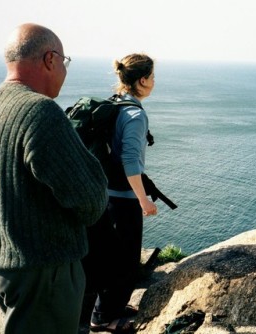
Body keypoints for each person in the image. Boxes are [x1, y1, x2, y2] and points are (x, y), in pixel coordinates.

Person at [0, 23, 108, 334]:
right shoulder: (41, 112)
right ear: (50, 59)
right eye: (65, 62)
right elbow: (90, 202)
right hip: (44, 269)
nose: (64, 70)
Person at [84, 53, 158, 332]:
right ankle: (104, 318)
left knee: (110, 255)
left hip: (104, 193)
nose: (154, 82)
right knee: (124, 259)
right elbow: (130, 161)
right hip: (123, 199)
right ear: (142, 80)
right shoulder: (135, 114)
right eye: (152, 77)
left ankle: (109, 307)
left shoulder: (116, 104)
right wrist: (143, 200)